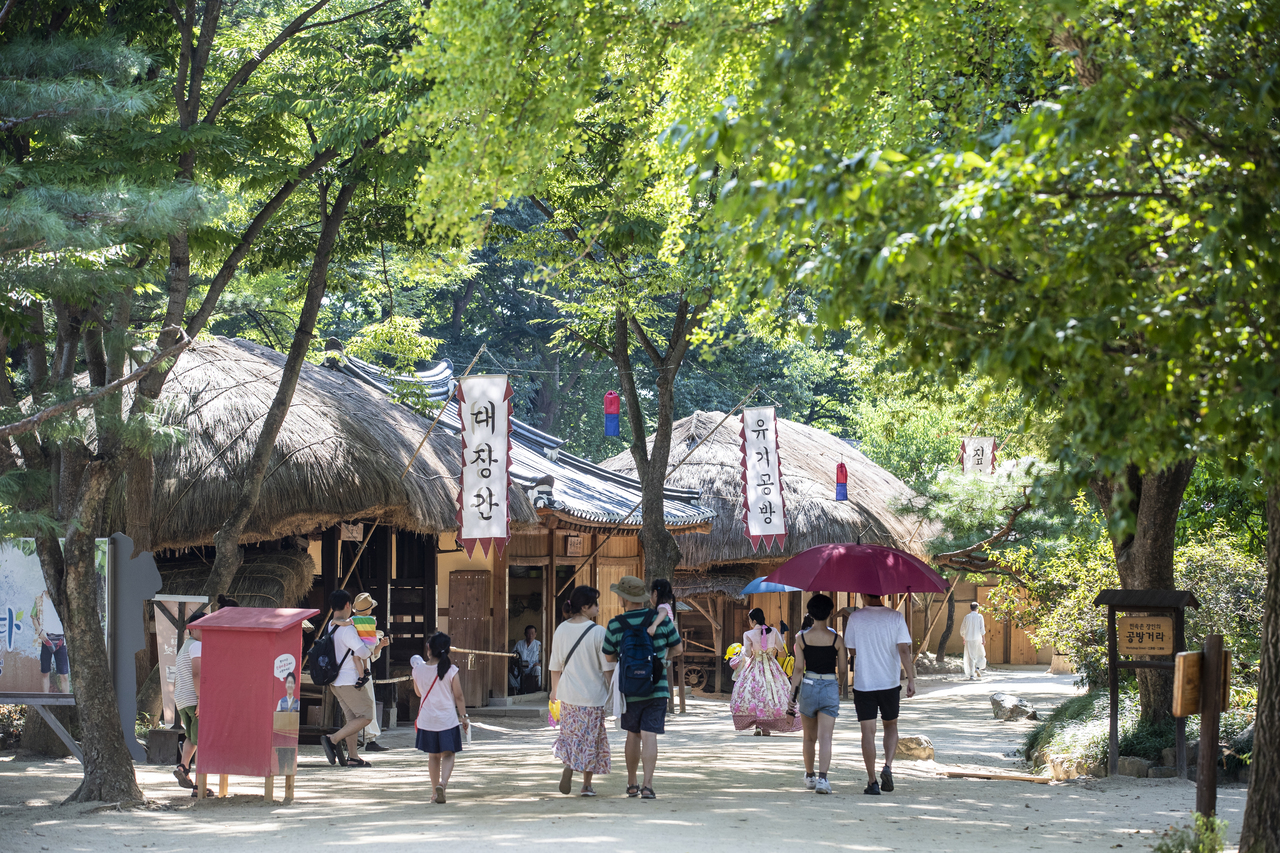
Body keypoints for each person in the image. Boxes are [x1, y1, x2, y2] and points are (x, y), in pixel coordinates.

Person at [601, 575, 683, 800]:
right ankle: (648, 785)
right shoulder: (660, 620)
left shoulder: (616, 624)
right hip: (657, 687)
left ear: (623, 599)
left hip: (630, 689)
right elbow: (678, 648)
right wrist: (663, 658)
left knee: (633, 734)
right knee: (650, 735)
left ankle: (631, 783)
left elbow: (608, 655)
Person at [844, 593, 916, 795]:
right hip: (889, 683)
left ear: (864, 594)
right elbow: (903, 650)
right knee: (891, 725)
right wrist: (910, 679)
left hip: (864, 683)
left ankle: (872, 781)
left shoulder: (856, 618)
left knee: (868, 732)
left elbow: (852, 651)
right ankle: (888, 766)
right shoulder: (896, 617)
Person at [549, 586, 612, 796]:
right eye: (595, 603)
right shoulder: (599, 632)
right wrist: (613, 692)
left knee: (571, 735)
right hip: (593, 696)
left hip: (567, 694)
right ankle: (586, 785)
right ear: (585, 607)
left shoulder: (561, 630)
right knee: (591, 739)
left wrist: (553, 691)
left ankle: (569, 764)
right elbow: (607, 669)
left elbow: (555, 666)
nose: (598, 607)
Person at [322, 589, 387, 768]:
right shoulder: (349, 630)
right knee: (366, 716)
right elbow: (363, 652)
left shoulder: (331, 625)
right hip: (350, 681)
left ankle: (353, 757)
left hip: (336, 681)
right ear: (348, 606)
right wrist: (371, 644)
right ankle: (332, 740)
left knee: (352, 719)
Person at [789, 594, 847, 794]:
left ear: (810, 613)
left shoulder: (801, 638)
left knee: (808, 737)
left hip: (808, 685)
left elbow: (798, 669)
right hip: (830, 684)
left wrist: (792, 696)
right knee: (826, 737)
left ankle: (810, 775)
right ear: (830, 613)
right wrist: (838, 686)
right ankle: (823, 779)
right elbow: (843, 670)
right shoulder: (837, 640)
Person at [413, 633, 469, 803]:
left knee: (433, 756)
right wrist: (464, 716)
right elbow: (458, 696)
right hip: (447, 719)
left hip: (427, 719)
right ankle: (443, 783)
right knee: (449, 754)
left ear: (429, 648)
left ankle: (434, 792)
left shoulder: (418, 669)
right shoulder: (451, 670)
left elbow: (418, 693)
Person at [730, 607, 799, 736]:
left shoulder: (748, 634)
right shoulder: (773, 631)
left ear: (754, 620)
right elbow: (780, 648)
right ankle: (767, 726)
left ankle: (758, 725)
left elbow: (749, 653)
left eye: (750, 620)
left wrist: (744, 651)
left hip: (754, 666)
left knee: (754, 692)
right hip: (771, 665)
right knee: (771, 693)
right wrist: (782, 634)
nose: (749, 622)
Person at [351, 592, 389, 751]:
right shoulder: (369, 624)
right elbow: (370, 652)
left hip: (349, 667)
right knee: (369, 702)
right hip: (363, 668)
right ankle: (370, 739)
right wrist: (379, 646)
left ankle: (355, 739)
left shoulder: (349, 624)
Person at [172, 615, 204, 794]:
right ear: (192, 629)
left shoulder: (184, 648)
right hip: (194, 698)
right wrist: (201, 699)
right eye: (202, 628)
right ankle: (199, 786)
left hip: (182, 699)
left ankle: (183, 767)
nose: (206, 631)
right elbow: (197, 674)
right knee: (203, 740)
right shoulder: (197, 646)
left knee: (192, 736)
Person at [31, 589, 69, 694]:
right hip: (45, 638)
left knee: (64, 675)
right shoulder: (39, 598)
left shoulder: (63, 597)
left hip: (61, 639)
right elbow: (33, 617)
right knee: (45, 673)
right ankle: (45, 701)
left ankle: (66, 703)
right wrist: (40, 632)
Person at [510, 625, 542, 691]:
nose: (530, 636)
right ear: (525, 634)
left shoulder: (538, 644)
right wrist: (514, 664)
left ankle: (537, 688)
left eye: (532, 634)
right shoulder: (519, 643)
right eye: (528, 634)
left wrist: (540, 664)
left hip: (532, 667)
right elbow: (512, 655)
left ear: (535, 634)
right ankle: (517, 689)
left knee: (538, 669)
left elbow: (544, 658)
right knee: (510, 673)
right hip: (520, 667)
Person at [961, 601, 988, 680]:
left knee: (970, 657)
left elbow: (962, 629)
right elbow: (982, 629)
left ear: (970, 608)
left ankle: (971, 675)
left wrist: (963, 638)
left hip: (968, 639)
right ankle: (978, 667)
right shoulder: (980, 616)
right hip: (977, 638)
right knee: (980, 654)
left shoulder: (967, 617)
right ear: (977, 609)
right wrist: (983, 639)